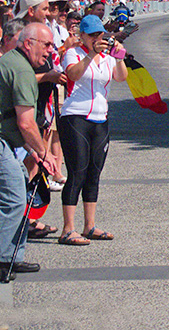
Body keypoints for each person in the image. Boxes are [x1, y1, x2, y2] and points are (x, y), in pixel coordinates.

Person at [58, 15, 128, 245]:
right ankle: (68, 228)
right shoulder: (74, 53)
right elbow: (73, 74)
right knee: (77, 171)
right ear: (83, 37)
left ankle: (90, 225)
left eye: (101, 34)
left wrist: (118, 57)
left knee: (94, 173)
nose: (98, 39)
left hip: (100, 118)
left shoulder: (106, 57)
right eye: (93, 36)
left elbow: (121, 77)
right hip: (75, 116)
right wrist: (90, 54)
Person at [0, 23, 58, 276]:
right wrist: (45, 153)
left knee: (21, 189)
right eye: (45, 44)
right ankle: (3, 258)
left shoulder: (13, 61)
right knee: (14, 197)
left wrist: (34, 152)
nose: (50, 50)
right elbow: (25, 122)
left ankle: (12, 255)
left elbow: (13, 120)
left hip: (6, 138)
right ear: (28, 43)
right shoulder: (22, 71)